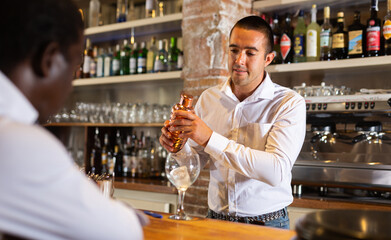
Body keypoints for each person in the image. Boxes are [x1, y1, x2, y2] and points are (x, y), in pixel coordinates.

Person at [0, 0, 147, 239]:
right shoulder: (19, 141)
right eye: (73, 67)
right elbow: (122, 233)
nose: (70, 86)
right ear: (48, 59)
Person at [160, 15, 306, 229]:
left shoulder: (288, 103)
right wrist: (178, 147)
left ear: (268, 59)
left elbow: (275, 171)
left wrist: (209, 138)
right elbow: (192, 165)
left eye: (250, 53)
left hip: (267, 225)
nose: (239, 60)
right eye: (234, 50)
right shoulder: (209, 99)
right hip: (215, 220)